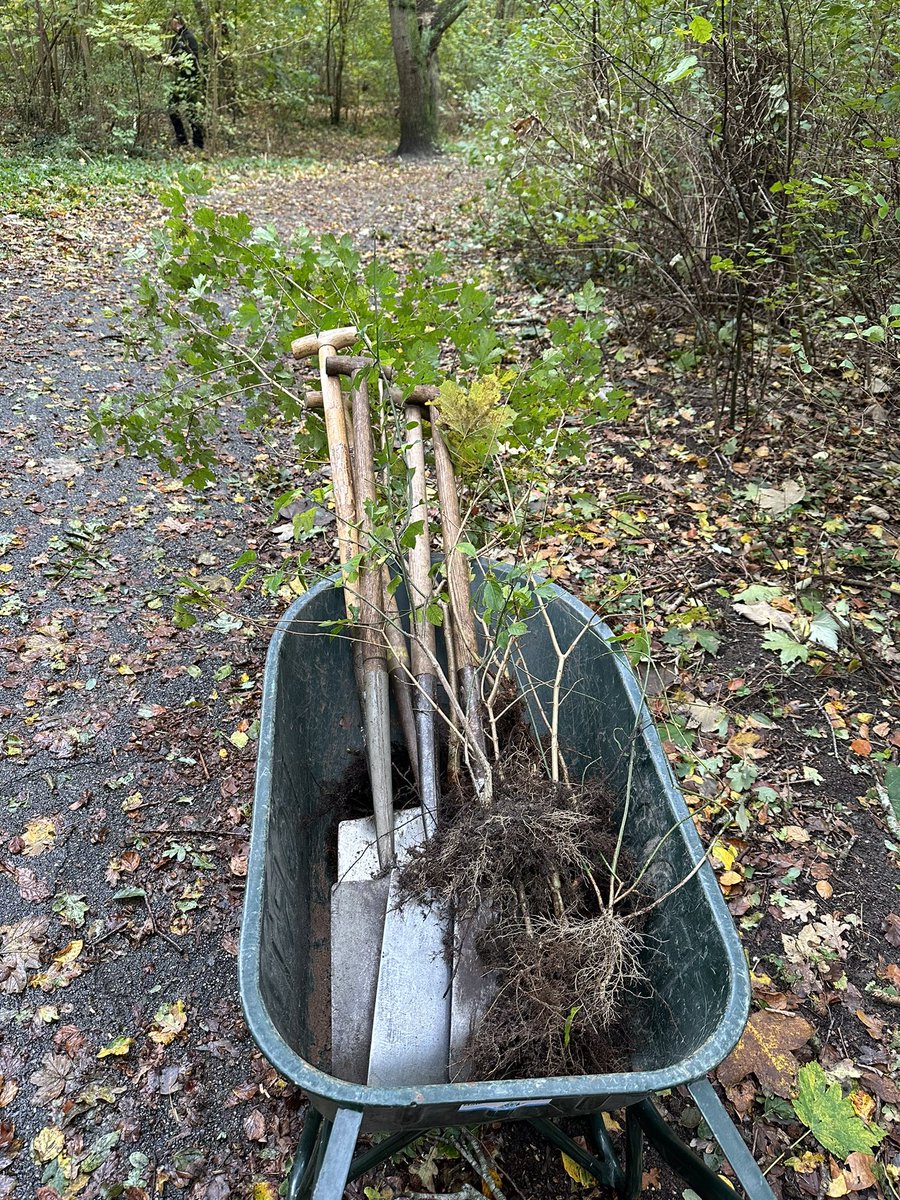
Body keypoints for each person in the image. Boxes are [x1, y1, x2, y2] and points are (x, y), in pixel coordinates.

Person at [166, 13, 205, 150]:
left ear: (177, 22)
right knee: (172, 108)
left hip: (190, 81)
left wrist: (179, 61)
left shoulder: (189, 38)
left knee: (192, 111)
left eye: (172, 22)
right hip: (178, 80)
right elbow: (173, 56)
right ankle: (181, 140)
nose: (170, 25)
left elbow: (194, 60)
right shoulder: (176, 38)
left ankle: (198, 143)